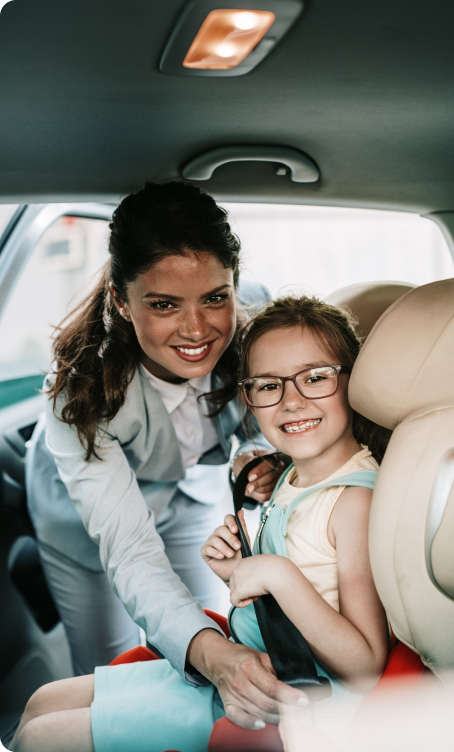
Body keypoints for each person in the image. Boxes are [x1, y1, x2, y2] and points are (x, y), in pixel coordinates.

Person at [12, 295, 390, 752]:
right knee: (40, 702)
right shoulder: (293, 474)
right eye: (268, 386)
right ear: (248, 396)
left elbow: (365, 667)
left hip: (293, 697)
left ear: (355, 380)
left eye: (315, 378)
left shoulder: (353, 502)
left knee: (38, 738)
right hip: (250, 660)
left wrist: (277, 574)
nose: (291, 402)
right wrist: (241, 570)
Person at [24, 181, 303, 729]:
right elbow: (129, 548)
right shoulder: (77, 389)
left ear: (234, 287)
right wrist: (209, 656)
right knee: (106, 667)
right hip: (82, 528)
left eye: (215, 297)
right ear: (121, 303)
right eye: (164, 304)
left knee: (199, 627)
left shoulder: (252, 336)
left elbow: (256, 420)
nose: (198, 329)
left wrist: (251, 455)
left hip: (183, 496)